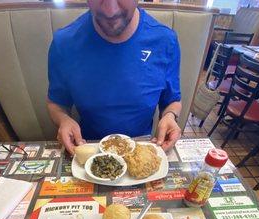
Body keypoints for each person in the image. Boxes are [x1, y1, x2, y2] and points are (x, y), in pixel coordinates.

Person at [48, 0, 182, 154]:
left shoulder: (165, 40)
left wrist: (170, 116)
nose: (110, 11)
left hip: (141, 149)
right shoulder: (64, 43)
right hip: (88, 150)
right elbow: (56, 103)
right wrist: (63, 120)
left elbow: (172, 100)